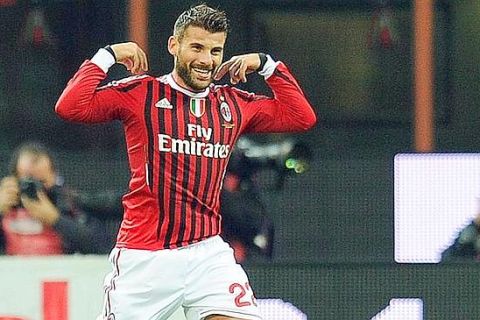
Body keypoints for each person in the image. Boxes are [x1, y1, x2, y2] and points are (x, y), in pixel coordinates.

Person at [55, 4, 316, 320]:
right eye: (197, 47)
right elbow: (70, 106)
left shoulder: (233, 104)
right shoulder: (143, 93)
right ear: (173, 45)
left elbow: (301, 116)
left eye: (215, 50)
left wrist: (265, 64)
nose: (206, 59)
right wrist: (108, 54)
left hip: (207, 253)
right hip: (146, 258)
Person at [0, 141, 111, 255]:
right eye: (28, 182)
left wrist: (56, 219)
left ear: (54, 176)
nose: (36, 190)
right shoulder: (7, 206)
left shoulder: (68, 203)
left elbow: (100, 246)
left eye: (41, 182)